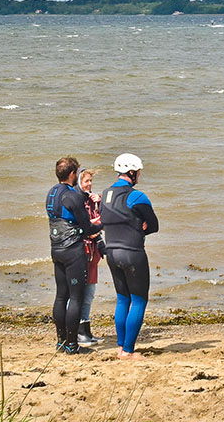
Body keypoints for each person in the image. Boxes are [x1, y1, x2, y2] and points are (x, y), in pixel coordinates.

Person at [99, 153, 159, 360]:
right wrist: (140, 226)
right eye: (138, 172)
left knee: (122, 299)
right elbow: (154, 225)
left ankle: (120, 347)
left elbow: (105, 221)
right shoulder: (137, 196)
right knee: (139, 299)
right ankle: (128, 351)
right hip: (132, 253)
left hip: (111, 253)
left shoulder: (105, 194)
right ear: (132, 172)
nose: (139, 176)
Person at [46, 156, 103, 354]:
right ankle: (72, 345)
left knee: (61, 295)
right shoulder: (72, 196)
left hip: (56, 249)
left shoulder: (51, 193)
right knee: (76, 298)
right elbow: (87, 228)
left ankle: (61, 342)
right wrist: (104, 222)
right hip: (73, 251)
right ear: (72, 174)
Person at [76, 167, 105, 347]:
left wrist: (100, 203)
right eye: (86, 181)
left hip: (93, 253)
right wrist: (93, 225)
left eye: (91, 181)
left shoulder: (91, 200)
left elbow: (102, 219)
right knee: (80, 293)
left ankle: (86, 330)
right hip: (82, 251)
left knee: (90, 293)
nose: (89, 184)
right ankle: (79, 331)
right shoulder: (76, 201)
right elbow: (82, 226)